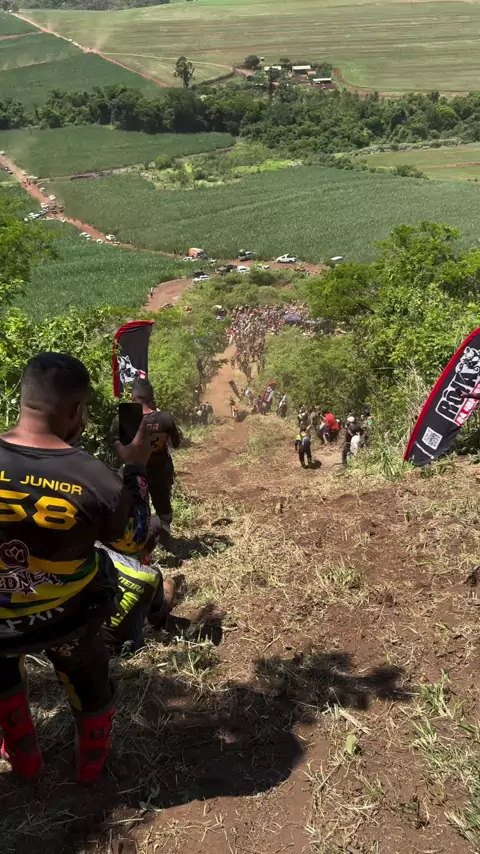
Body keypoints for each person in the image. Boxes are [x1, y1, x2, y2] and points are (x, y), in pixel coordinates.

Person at [0, 353, 150, 783]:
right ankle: (90, 769)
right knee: (88, 684)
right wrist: (135, 468)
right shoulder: (95, 479)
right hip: (67, 620)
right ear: (76, 410)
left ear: (23, 398)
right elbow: (136, 542)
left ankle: (25, 762)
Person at [111, 379, 181, 546]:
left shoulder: (121, 419)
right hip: (160, 471)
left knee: (134, 509)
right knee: (163, 508)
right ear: (151, 396)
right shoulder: (164, 418)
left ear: (132, 396)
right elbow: (176, 443)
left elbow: (116, 447)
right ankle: (163, 539)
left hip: (134, 473)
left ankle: (137, 544)